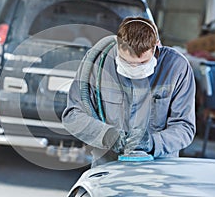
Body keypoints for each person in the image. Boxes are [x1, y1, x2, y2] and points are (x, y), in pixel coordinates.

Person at [62, 16, 196, 167]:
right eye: (126, 62)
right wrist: (107, 135)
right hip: (109, 166)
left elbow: (184, 127)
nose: (134, 68)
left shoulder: (177, 67)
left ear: (156, 47)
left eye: (142, 63)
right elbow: (73, 116)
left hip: (160, 169)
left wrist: (152, 142)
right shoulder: (98, 62)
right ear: (117, 46)